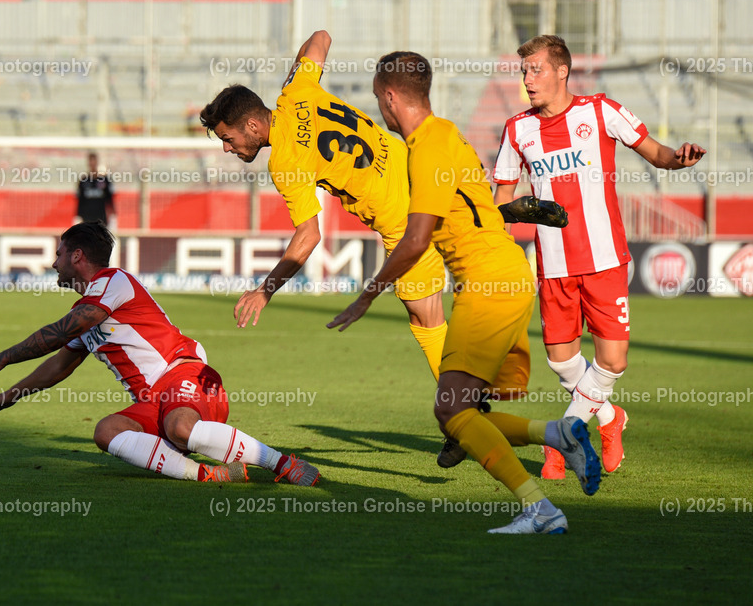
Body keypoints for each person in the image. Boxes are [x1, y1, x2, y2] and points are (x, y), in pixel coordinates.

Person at [328, 51, 601, 534]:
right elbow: (477, 211)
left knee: (451, 408)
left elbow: (415, 240)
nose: (378, 110)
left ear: (390, 97)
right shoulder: (447, 134)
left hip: (488, 283)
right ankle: (559, 435)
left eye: (376, 100)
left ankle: (540, 509)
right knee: (462, 407)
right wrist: (516, 211)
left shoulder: (428, 147)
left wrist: (366, 295)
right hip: (501, 277)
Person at [201, 31, 456, 449]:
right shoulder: (298, 90)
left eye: (229, 138)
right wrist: (292, 82)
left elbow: (308, 236)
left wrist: (265, 291)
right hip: (420, 170)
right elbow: (321, 37)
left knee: (426, 320)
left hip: (402, 218)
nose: (229, 149)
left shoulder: (284, 161)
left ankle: (464, 417)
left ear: (251, 124)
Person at [0, 222, 320, 486]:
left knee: (180, 428)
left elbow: (64, 331)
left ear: (78, 256)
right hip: (153, 400)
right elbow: (59, 365)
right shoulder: (90, 306)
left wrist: (3, 358)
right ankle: (207, 474)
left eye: (59, 254)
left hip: (186, 376)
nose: (54, 263)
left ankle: (282, 463)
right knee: (107, 431)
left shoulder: (114, 283)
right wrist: (11, 395)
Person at [493, 35, 707, 478]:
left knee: (612, 361)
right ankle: (610, 419)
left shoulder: (601, 110)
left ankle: (565, 434)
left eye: (536, 70)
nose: (528, 80)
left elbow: (657, 154)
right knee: (560, 361)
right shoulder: (517, 129)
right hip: (553, 264)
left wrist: (679, 158)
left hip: (605, 259)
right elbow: (502, 201)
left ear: (562, 71)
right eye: (524, 71)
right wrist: (510, 216)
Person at [76, 152, 116, 227]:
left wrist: (112, 215)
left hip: (101, 218)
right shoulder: (83, 181)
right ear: (88, 163)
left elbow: (110, 199)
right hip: (87, 218)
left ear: (97, 162)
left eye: (94, 160)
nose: (93, 163)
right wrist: (78, 216)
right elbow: (80, 200)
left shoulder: (105, 180)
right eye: (91, 161)